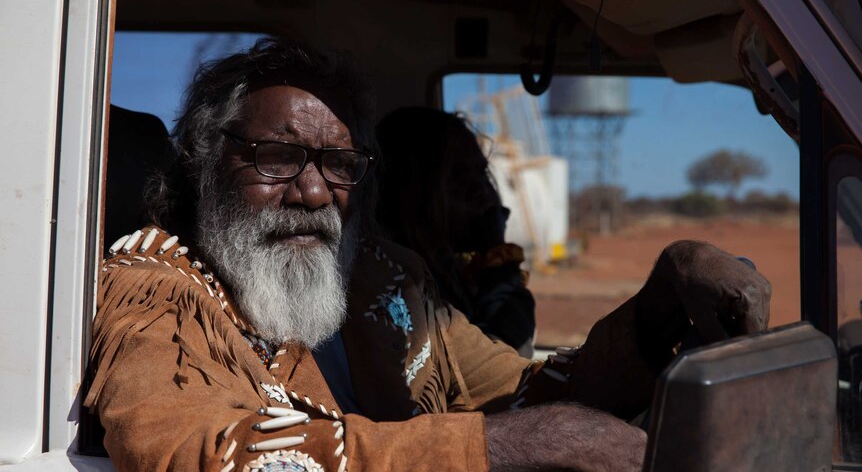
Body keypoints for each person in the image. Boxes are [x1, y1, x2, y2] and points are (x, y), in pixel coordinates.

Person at [85, 38, 771, 472]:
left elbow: (526, 392)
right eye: (278, 155)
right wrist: (510, 447)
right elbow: (193, 452)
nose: (315, 190)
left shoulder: (387, 276)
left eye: (339, 163)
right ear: (207, 165)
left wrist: (662, 298)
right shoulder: (158, 287)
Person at [376, 107, 535, 356]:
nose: (482, 190)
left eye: (482, 173)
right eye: (459, 177)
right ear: (414, 189)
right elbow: (502, 354)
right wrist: (498, 259)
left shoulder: (447, 270)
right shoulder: (395, 282)